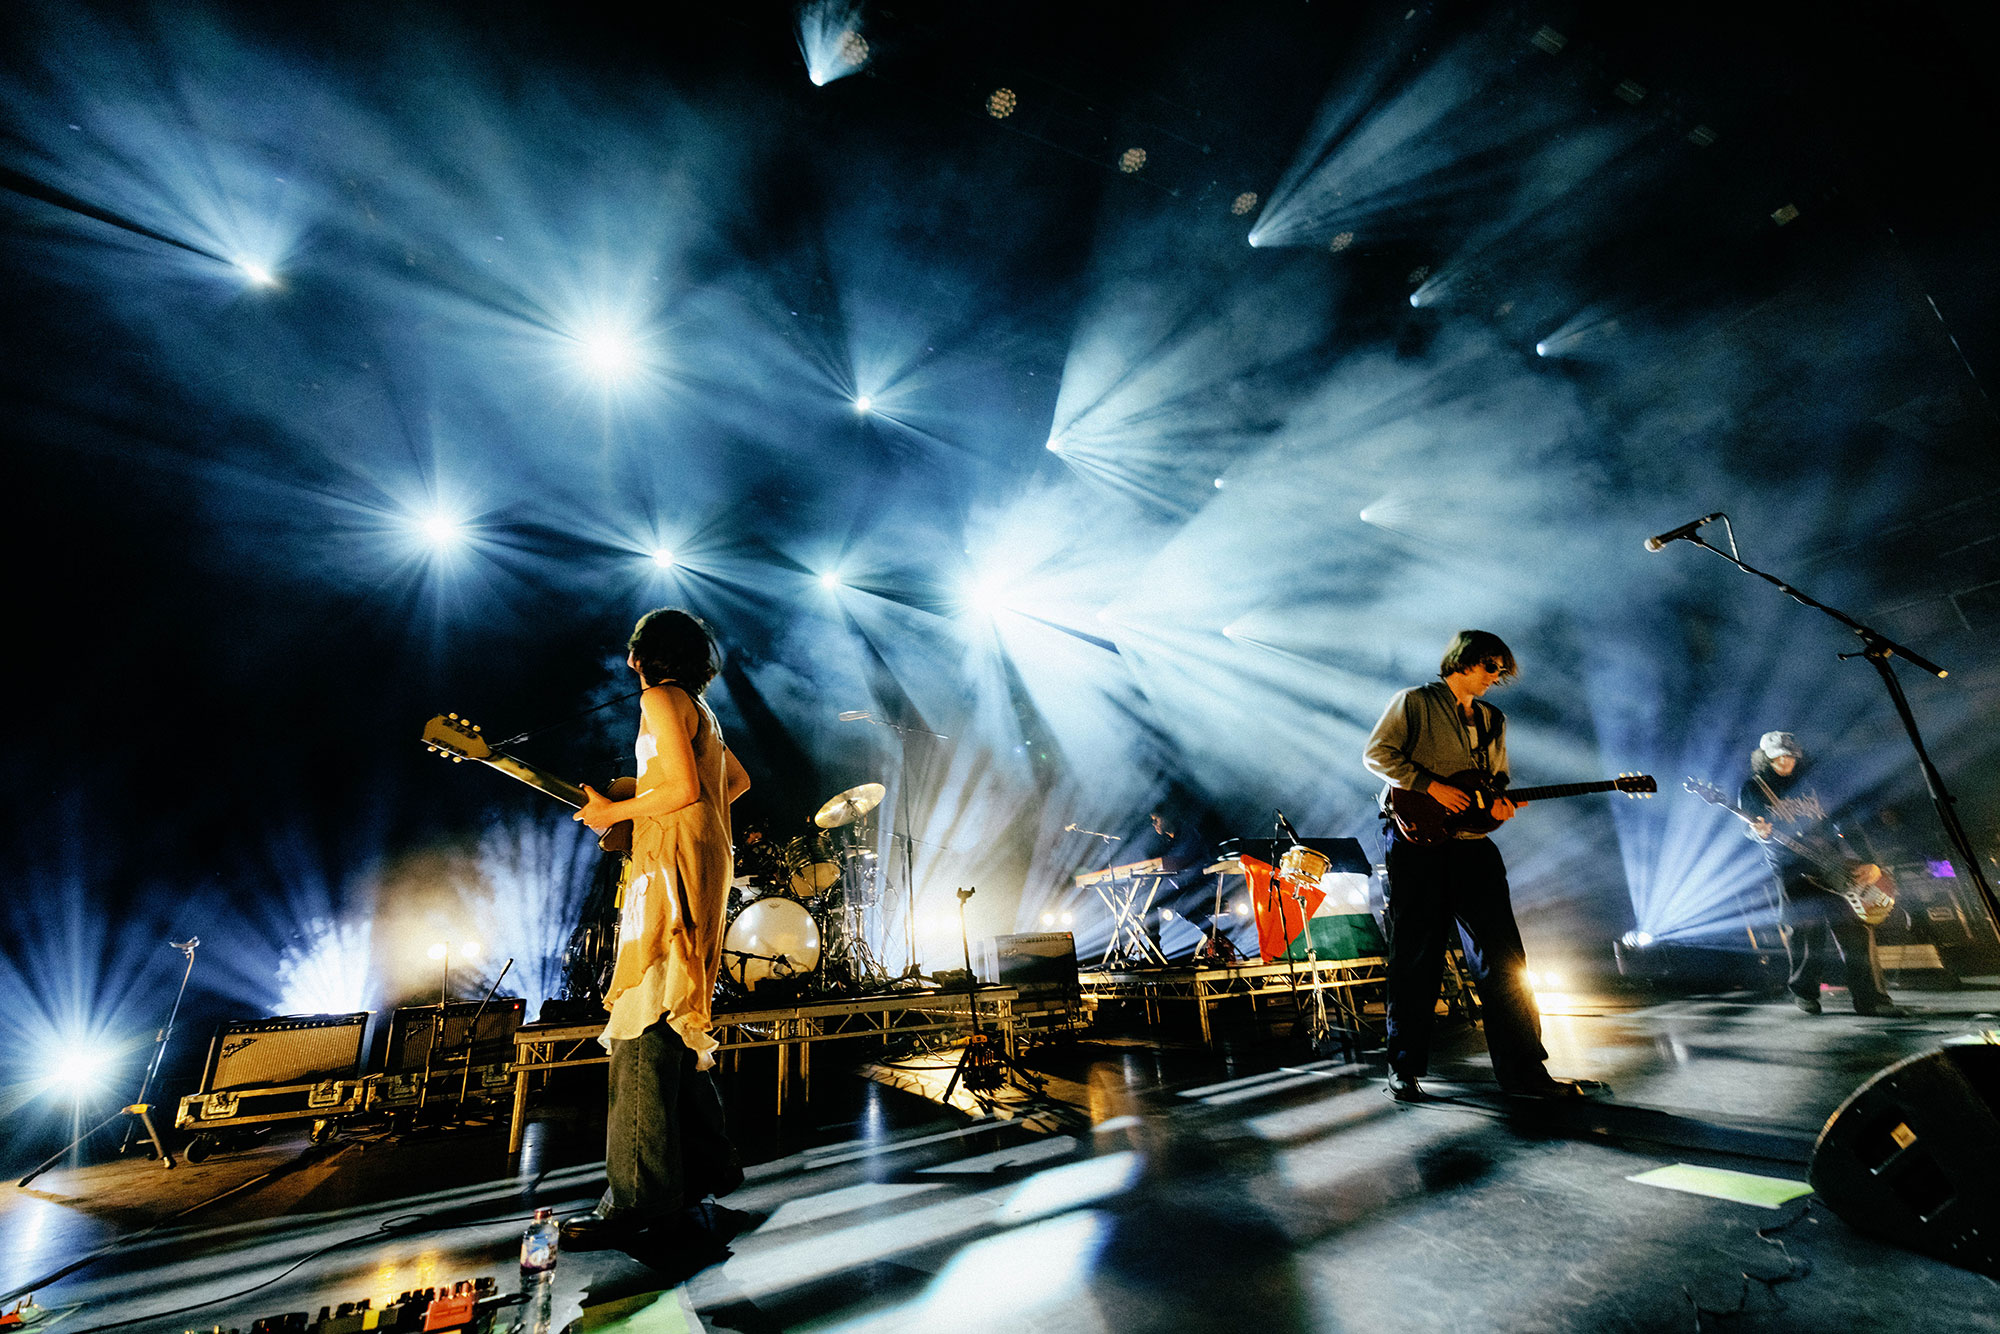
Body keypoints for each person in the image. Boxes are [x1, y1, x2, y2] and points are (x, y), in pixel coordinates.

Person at [564, 608, 756, 1249]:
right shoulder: (701, 708)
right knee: (671, 1013)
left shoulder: (661, 698)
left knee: (643, 1021)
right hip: (696, 861)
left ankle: (638, 1203)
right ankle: (708, 1165)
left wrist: (620, 809)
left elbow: (679, 790)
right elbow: (733, 781)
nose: (627, 665)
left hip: (670, 870)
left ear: (648, 656)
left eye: (633, 653)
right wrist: (645, 808)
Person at [1362, 630, 1585, 1102]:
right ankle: (1403, 1068)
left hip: (1472, 844)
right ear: (1463, 661)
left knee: (1505, 960)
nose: (1495, 677)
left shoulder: (1492, 718)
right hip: (1415, 841)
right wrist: (1428, 785)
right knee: (1417, 956)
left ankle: (1525, 1070)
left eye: (1501, 671)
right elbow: (1377, 754)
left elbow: (1496, 781)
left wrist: (1500, 806)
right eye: (1490, 666)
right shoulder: (1415, 702)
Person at [1739, 731, 1905, 1017]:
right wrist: (1759, 833)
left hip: (1832, 864)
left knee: (1857, 931)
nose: (1784, 761)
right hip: (1791, 870)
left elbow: (1847, 821)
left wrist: (1871, 861)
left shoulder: (1813, 784)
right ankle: (1804, 991)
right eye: (1777, 756)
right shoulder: (1755, 787)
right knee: (1805, 935)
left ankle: (1872, 1000)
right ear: (1765, 757)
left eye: (1789, 755)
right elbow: (1750, 829)